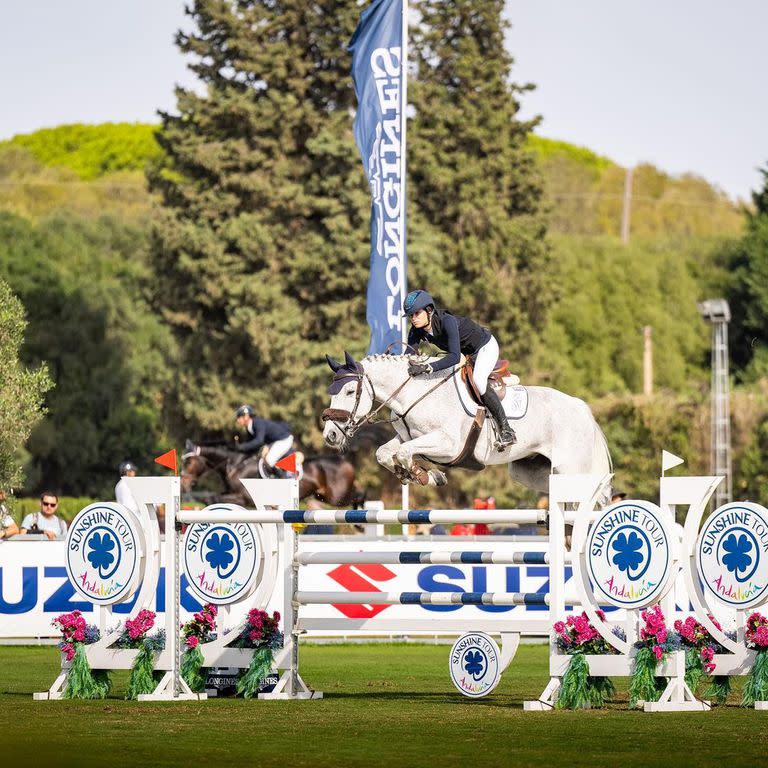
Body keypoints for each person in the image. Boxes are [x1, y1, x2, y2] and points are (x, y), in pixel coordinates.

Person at [402, 289, 516, 448]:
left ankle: (506, 430)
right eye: (410, 316)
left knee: (479, 381)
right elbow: (407, 356)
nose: (413, 319)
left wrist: (427, 367)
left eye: (416, 314)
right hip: (467, 354)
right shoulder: (416, 330)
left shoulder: (447, 321)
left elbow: (454, 357)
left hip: (484, 347)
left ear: (429, 310)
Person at [234, 405, 294, 478]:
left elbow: (259, 441)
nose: (237, 420)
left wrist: (243, 446)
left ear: (246, 416)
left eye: (239, 417)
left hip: (284, 440)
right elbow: (250, 444)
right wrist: (241, 449)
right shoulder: (249, 427)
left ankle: (285, 479)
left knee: (269, 460)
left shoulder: (257, 423)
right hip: (275, 442)